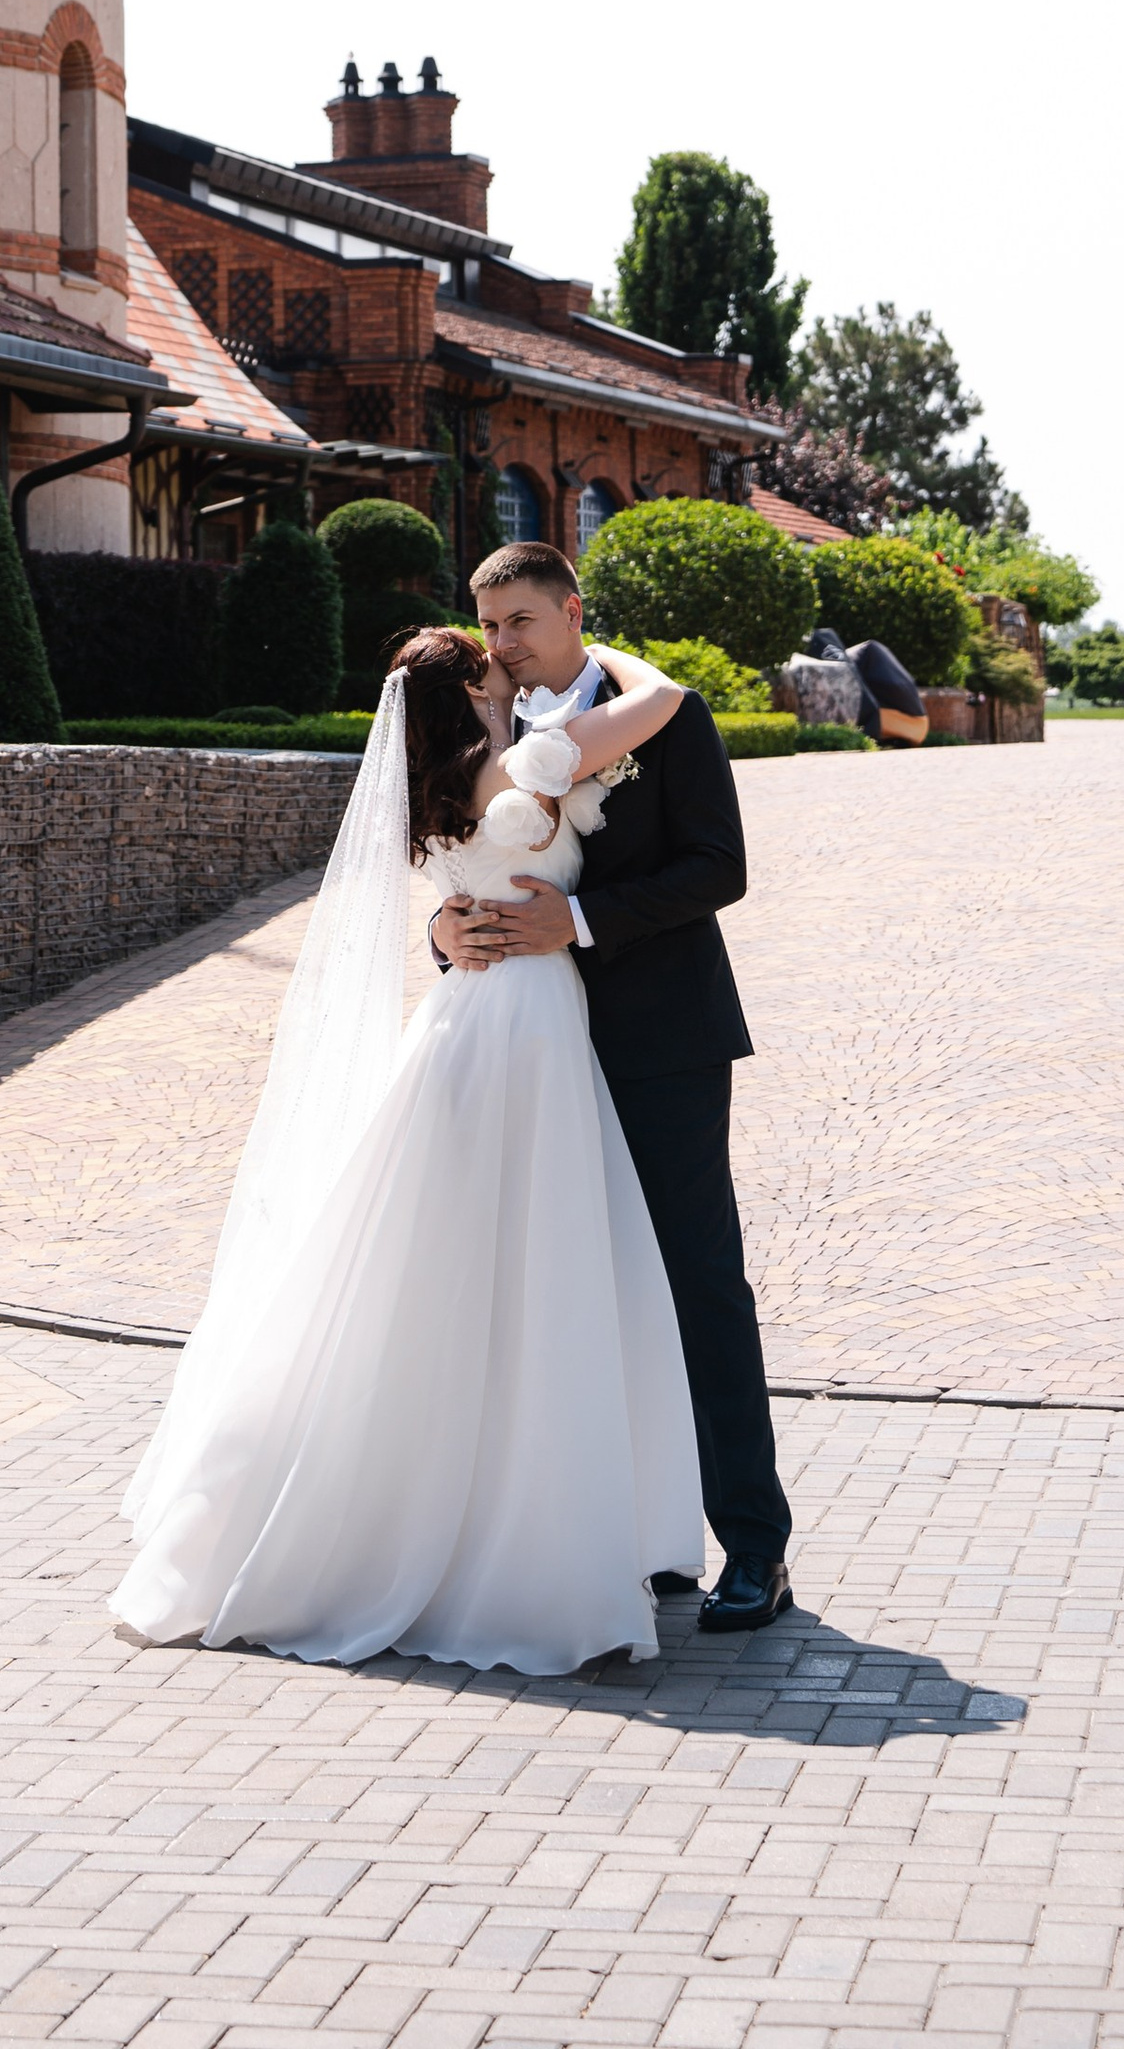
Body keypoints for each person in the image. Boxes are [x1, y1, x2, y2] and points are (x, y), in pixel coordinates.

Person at [112, 627, 703, 1674]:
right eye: (493, 660)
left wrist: (445, 927)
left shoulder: (433, 793)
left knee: (433, 1253)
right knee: (528, 1253)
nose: (509, 666)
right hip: (525, 1022)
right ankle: (503, 1526)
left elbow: (457, 896)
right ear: (470, 688)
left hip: (461, 1019)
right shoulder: (528, 762)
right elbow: (664, 696)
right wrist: (606, 648)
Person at [445, 539, 793, 1632]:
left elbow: (718, 865)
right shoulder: (483, 728)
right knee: (570, 1289)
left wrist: (583, 921)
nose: (501, 644)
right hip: (534, 1045)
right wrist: (447, 927)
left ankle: (754, 1547)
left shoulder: (663, 717)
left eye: (520, 622)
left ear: (572, 611)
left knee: (697, 1284)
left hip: (659, 1041)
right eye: (489, 624)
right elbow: (450, 854)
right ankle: (637, 1536)